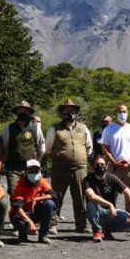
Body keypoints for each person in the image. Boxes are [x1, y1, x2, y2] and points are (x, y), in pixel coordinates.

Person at [46, 100, 93, 234]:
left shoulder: (83, 128)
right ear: (62, 112)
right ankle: (53, 224)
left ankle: (81, 225)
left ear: (75, 112)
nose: (69, 112)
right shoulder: (54, 128)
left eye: (71, 109)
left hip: (80, 169)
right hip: (60, 170)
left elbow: (89, 148)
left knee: (80, 197)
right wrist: (60, 159)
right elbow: (48, 149)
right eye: (66, 110)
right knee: (56, 197)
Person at [101, 103, 130, 230]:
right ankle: (109, 222)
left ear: (128, 113)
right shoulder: (108, 129)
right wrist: (113, 162)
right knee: (110, 194)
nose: (122, 114)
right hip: (114, 167)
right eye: (120, 111)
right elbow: (105, 148)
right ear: (116, 113)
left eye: (124, 111)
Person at [84, 155, 130, 242]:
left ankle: (107, 229)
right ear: (93, 166)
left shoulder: (112, 178)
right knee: (91, 204)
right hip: (97, 212)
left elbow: (129, 193)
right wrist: (110, 205)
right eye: (97, 164)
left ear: (106, 166)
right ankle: (97, 231)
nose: (100, 166)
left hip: (111, 213)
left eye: (102, 164)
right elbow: (92, 196)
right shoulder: (87, 179)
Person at [2, 101, 45, 195]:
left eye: (25, 111)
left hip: (32, 168)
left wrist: (37, 162)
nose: (23, 113)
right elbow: (5, 148)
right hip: (14, 169)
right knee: (15, 194)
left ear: (29, 112)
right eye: (20, 110)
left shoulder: (36, 128)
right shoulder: (9, 129)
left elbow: (41, 148)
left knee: (33, 194)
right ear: (17, 112)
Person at [9, 159, 56, 245]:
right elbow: (17, 206)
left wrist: (36, 199)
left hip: (34, 211)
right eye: (31, 170)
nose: (34, 172)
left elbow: (53, 195)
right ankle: (22, 235)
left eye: (36, 170)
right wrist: (30, 222)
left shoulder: (41, 181)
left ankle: (43, 236)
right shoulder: (19, 184)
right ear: (26, 171)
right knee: (21, 223)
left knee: (50, 204)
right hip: (20, 214)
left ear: (40, 171)